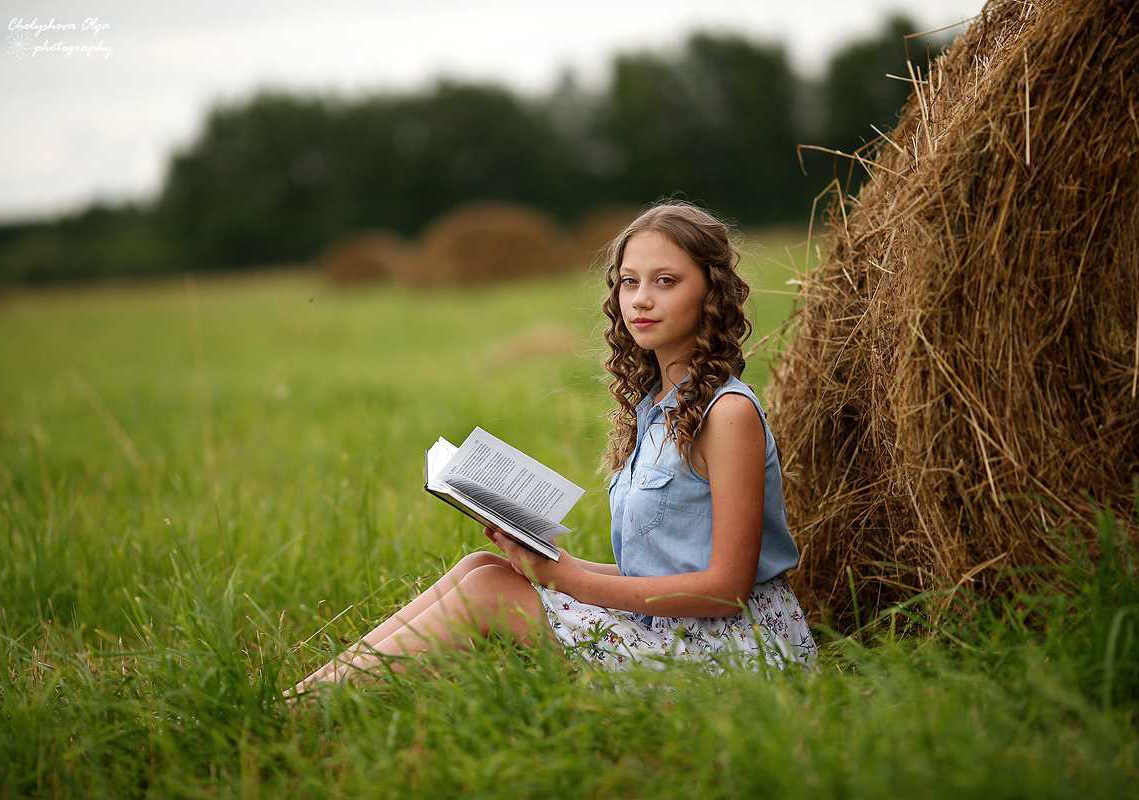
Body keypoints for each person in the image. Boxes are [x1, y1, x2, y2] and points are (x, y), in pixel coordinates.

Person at [284, 202, 815, 698]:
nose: (642, 299)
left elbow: (725, 589)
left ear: (712, 293)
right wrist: (559, 563)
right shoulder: (658, 407)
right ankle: (311, 695)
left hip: (737, 655)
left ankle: (309, 709)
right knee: (484, 566)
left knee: (488, 592)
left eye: (666, 281)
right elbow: (662, 570)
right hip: (674, 629)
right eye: (630, 282)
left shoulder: (727, 415)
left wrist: (573, 581)